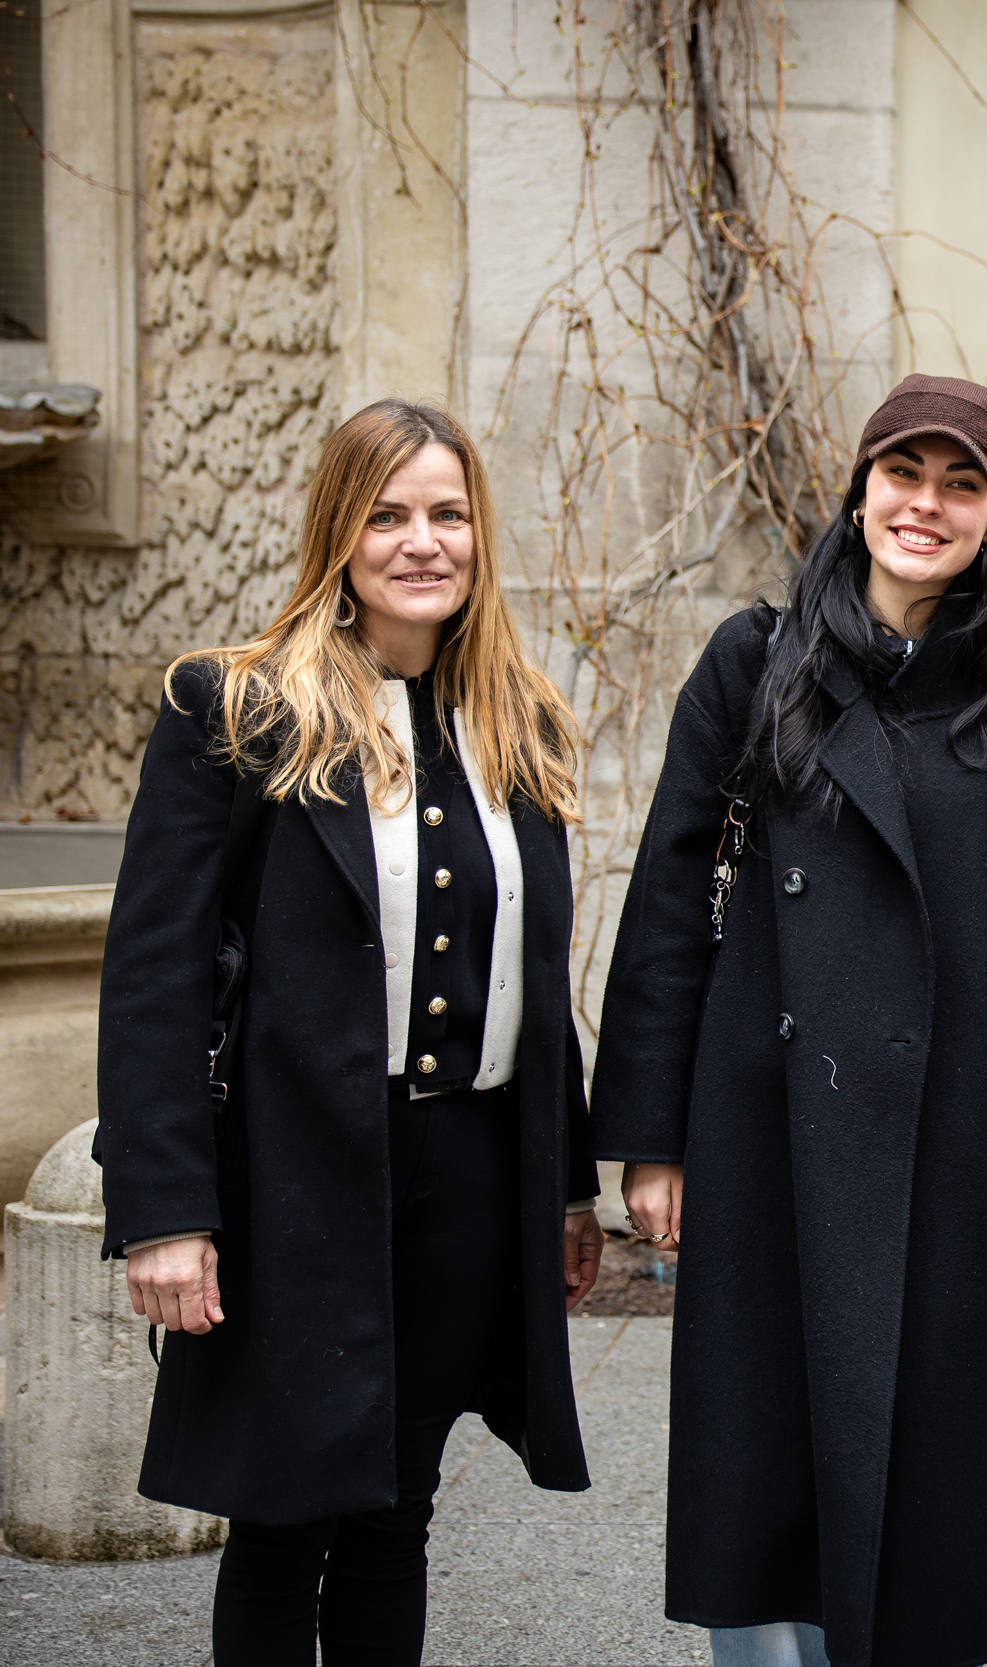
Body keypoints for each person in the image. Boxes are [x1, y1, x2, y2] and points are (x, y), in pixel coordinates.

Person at [95, 399, 605, 1665]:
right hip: (293, 1171)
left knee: (395, 1508)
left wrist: (564, 1187)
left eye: (448, 513)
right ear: (339, 530)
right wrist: (163, 1210)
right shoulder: (235, 708)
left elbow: (535, 977)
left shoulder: (520, 724)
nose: (422, 542)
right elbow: (155, 974)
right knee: (285, 1518)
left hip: (468, 1172)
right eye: (387, 515)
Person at [591, 374, 987, 1667]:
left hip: (971, 1150)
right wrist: (652, 1140)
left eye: (961, 483)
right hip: (772, 1128)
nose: (926, 503)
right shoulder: (755, 660)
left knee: (941, 1480)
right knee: (768, 1460)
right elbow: (669, 899)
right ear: (861, 488)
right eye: (903, 472)